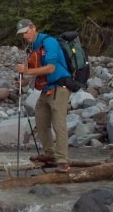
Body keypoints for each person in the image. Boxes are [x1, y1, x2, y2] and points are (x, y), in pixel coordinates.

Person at [15, 18, 72, 173]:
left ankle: (63, 161)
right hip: (47, 89)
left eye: (26, 32)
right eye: (22, 34)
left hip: (60, 87)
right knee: (41, 123)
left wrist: (26, 71)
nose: (25, 36)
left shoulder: (49, 42)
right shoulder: (33, 47)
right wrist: (24, 81)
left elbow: (51, 68)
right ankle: (50, 155)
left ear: (34, 28)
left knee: (58, 125)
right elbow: (37, 73)